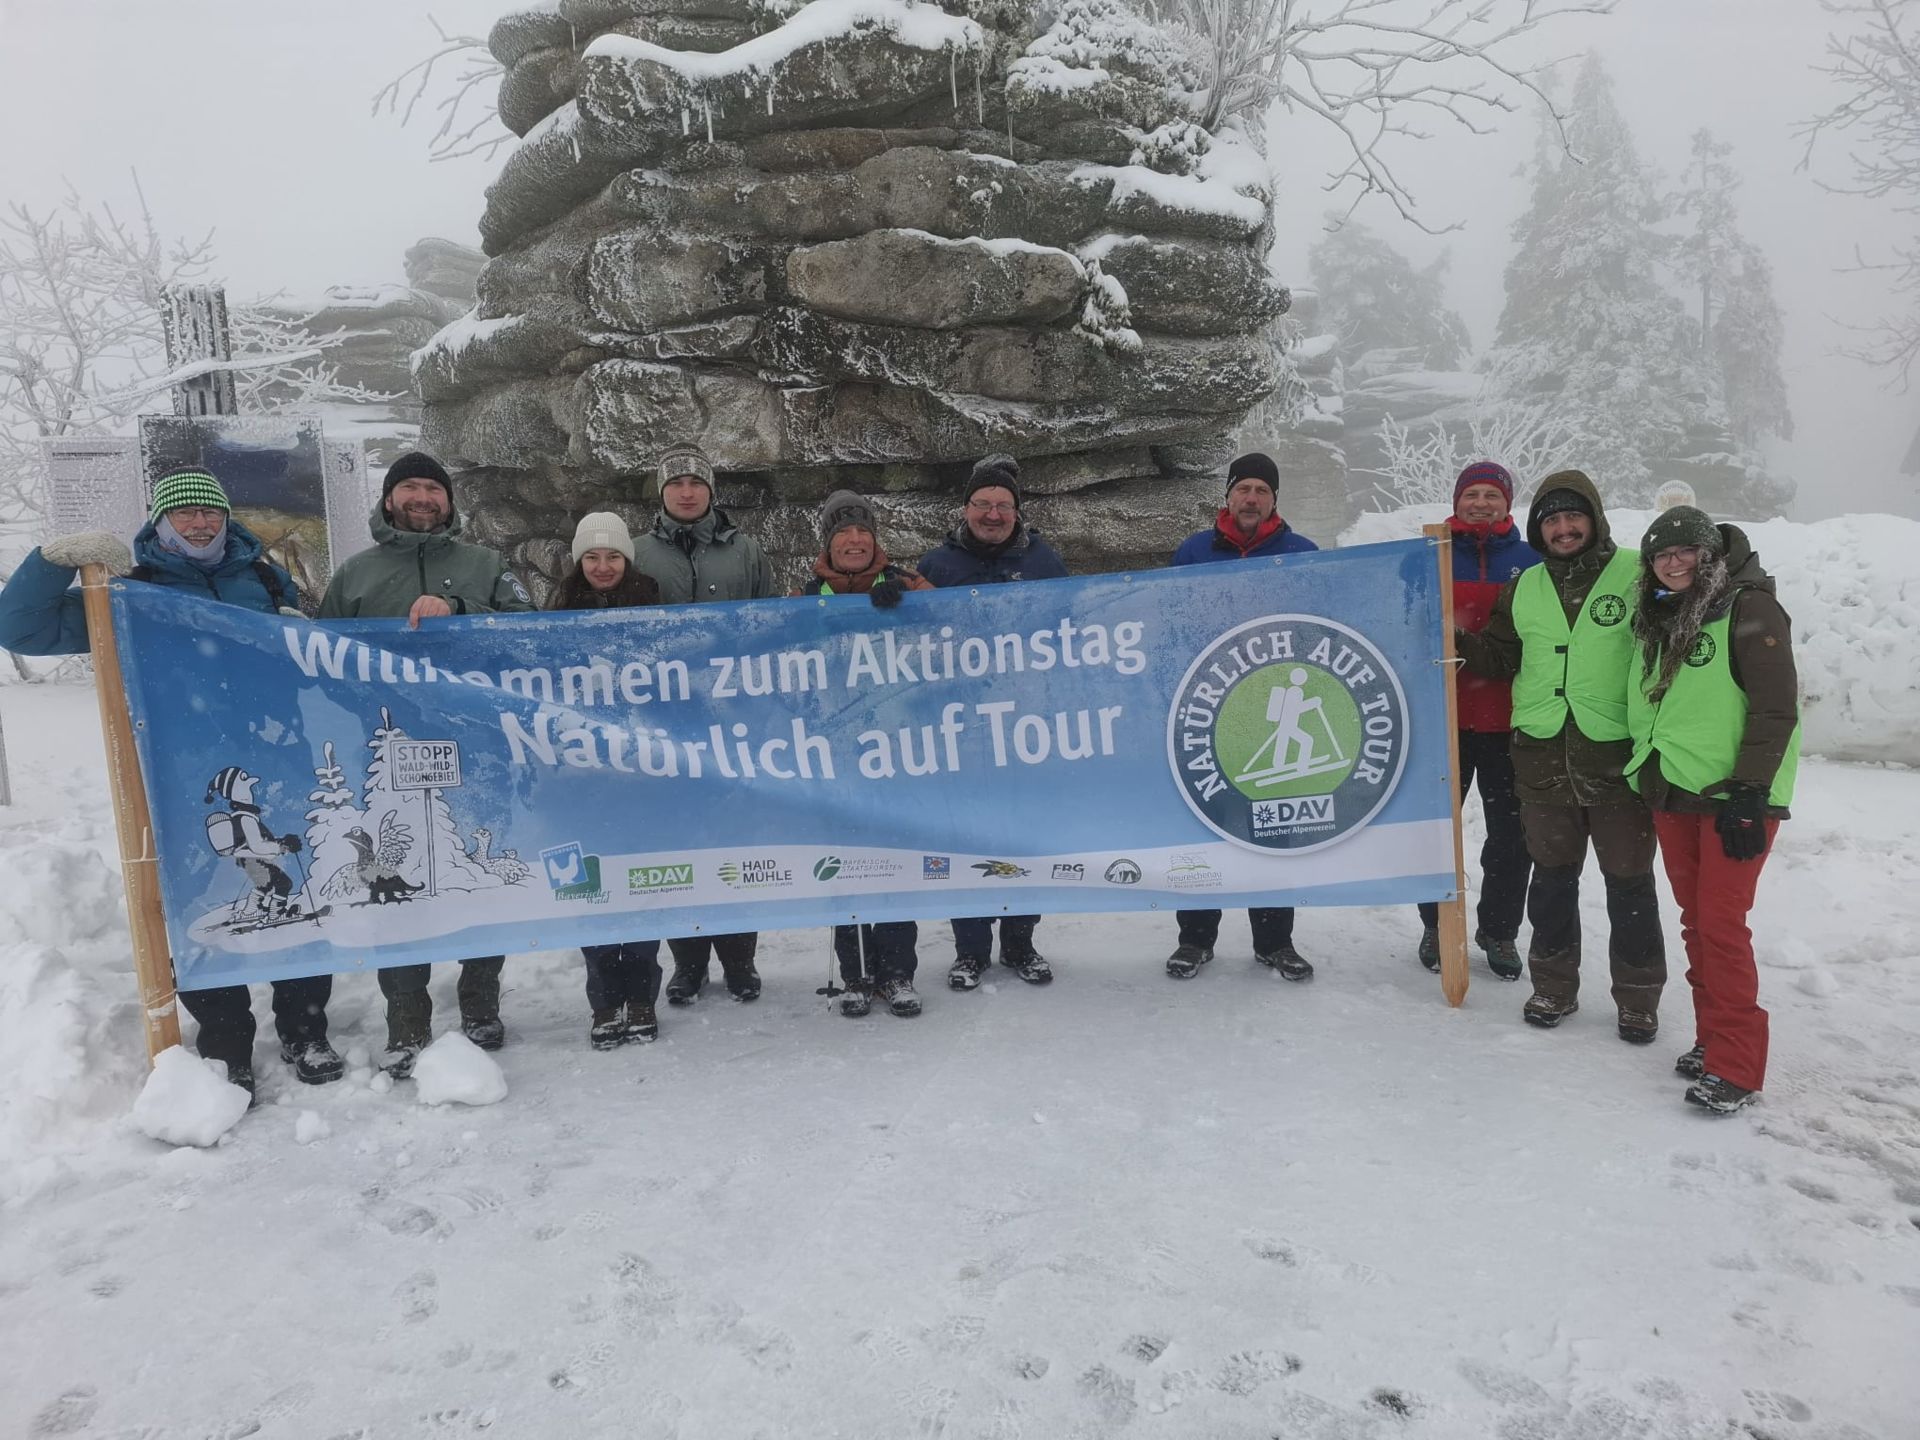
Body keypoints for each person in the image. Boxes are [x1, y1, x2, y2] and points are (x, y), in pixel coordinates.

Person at [0, 469, 339, 1097]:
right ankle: (226, 1044)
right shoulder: (133, 591)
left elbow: (303, 664)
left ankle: (305, 1028)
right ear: (161, 522)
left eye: (210, 512)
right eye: (184, 513)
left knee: (291, 889)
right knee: (198, 898)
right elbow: (20, 630)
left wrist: (298, 637)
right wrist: (50, 563)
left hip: (274, 759)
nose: (200, 523)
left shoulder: (266, 581)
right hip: (182, 770)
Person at [317, 451, 535, 1076]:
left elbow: (529, 632)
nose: (422, 497)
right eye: (409, 487)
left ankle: (481, 1003)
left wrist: (460, 612)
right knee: (395, 879)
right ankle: (406, 1018)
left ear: (448, 501)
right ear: (389, 499)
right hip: (388, 752)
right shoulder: (355, 575)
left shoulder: (485, 566)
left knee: (477, 871)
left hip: (477, 748)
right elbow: (322, 659)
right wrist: (374, 702)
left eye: (433, 489)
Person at [1455, 471, 1666, 1040]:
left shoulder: (1637, 575)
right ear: (1538, 528)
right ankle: (1552, 986)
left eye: (1574, 517)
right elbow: (1502, 658)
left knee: (1630, 885)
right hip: (1542, 756)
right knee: (1551, 882)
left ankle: (1639, 998)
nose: (1564, 528)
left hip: (1616, 758)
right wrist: (1454, 638)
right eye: (1552, 520)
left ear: (1594, 519)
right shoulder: (1524, 585)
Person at [1625, 507, 1799, 1114]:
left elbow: (1775, 708)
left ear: (1709, 555)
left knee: (1722, 927)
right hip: (1676, 790)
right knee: (1697, 922)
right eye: (1661, 554)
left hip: (1735, 798)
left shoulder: (1750, 608)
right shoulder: (1660, 615)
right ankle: (1712, 1039)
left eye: (1685, 551)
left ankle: (1737, 1066)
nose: (1672, 563)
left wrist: (1751, 792)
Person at [631, 442, 777, 1006]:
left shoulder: (746, 550)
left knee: (734, 839)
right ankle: (688, 963)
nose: (687, 492)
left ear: (711, 490)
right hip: (664, 723)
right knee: (680, 843)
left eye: (696, 482)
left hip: (734, 722)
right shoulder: (637, 552)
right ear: (662, 493)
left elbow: (773, 624)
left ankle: (740, 961)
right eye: (676, 483)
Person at [1164, 451, 1318, 984]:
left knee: (1273, 826)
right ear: (1227, 495)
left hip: (1270, 705)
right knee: (1202, 822)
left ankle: (1275, 942)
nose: (1251, 499)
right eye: (1243, 489)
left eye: (1262, 491)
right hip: (1205, 710)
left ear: (1275, 500)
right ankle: (1194, 938)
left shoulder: (1302, 554)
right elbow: (1170, 619)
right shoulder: (1194, 551)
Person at [917, 455, 1067, 989]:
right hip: (961, 731)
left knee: (1024, 835)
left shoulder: (1044, 563)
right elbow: (910, 646)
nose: (993, 514)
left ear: (1017, 512)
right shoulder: (937, 567)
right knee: (967, 837)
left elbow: (1073, 637)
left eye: (1003, 505)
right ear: (965, 509)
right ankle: (971, 950)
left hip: (1027, 728)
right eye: (983, 503)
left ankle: (1020, 943)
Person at [794, 490, 935, 1017]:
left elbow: (957, 633)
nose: (854, 541)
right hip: (835, 754)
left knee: (895, 862)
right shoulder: (807, 596)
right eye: (842, 533)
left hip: (898, 750)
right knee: (846, 864)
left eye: (862, 532)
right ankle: (855, 974)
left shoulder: (907, 584)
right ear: (828, 542)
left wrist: (915, 611)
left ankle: (896, 972)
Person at [1416, 461, 1540, 980]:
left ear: (1508, 503)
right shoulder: (1431, 553)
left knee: (1512, 837)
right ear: (1457, 501)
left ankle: (1499, 929)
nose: (1482, 503)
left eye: (1492, 495)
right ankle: (1437, 924)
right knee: (1435, 833)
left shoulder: (1531, 561)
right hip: (1440, 721)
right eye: (1473, 494)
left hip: (1509, 722)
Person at [549, 511, 666, 1049]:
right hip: (580, 779)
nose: (602, 566)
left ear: (627, 560)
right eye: (592, 557)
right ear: (579, 562)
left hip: (642, 778)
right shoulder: (555, 615)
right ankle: (603, 1001)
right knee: (590, 889)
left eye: (613, 556)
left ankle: (641, 996)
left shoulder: (655, 609)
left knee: (642, 887)